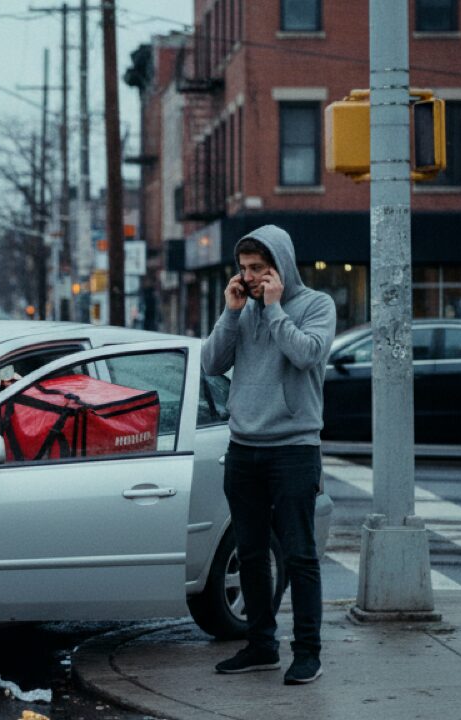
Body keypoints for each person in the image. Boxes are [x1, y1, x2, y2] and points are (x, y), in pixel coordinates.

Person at [201, 225, 336, 686]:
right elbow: (211, 364)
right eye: (244, 269)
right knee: (252, 553)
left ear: (280, 266)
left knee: (300, 555)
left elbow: (307, 354)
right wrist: (230, 312)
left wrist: (275, 308)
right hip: (244, 448)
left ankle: (308, 653)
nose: (250, 277)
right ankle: (261, 646)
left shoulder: (316, 305)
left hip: (294, 448)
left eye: (258, 269)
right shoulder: (243, 310)